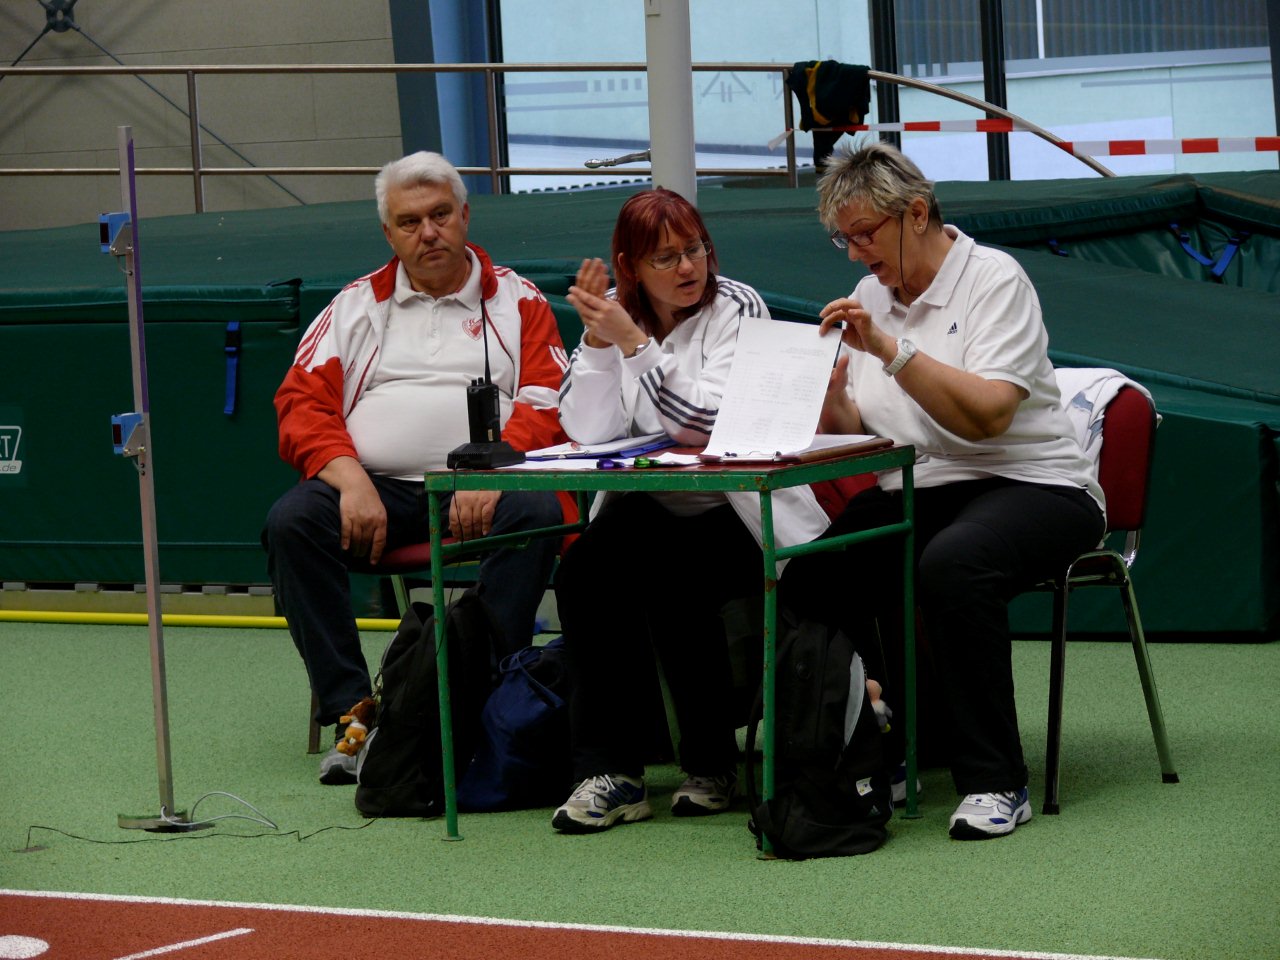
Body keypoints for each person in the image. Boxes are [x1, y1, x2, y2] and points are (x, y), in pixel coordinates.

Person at [781, 140, 1105, 840]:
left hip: (1037, 482)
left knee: (954, 563)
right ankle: (885, 737)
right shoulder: (872, 294)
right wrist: (831, 397)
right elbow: (862, 430)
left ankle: (996, 781)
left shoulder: (994, 279)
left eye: (864, 234)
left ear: (917, 214)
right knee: (812, 573)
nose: (855, 252)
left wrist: (890, 351)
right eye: (843, 238)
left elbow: (988, 419)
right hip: (926, 483)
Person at [262, 151, 569, 785]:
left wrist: (491, 473)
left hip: (488, 484)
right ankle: (354, 711)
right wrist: (349, 479)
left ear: (465, 216)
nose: (428, 233)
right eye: (409, 222)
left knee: (537, 510)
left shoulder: (518, 300)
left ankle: (481, 700)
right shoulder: (354, 306)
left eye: (440, 215)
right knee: (292, 523)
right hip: (377, 492)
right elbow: (300, 404)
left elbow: (549, 400)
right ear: (389, 233)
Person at [550, 188, 831, 833]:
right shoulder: (617, 313)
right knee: (585, 572)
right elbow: (587, 431)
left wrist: (633, 346)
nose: (687, 267)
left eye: (695, 249)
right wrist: (598, 343)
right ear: (630, 267)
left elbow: (704, 424)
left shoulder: (738, 306)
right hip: (652, 504)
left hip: (742, 509)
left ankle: (711, 765)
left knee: (677, 577)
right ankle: (612, 773)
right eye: (666, 257)